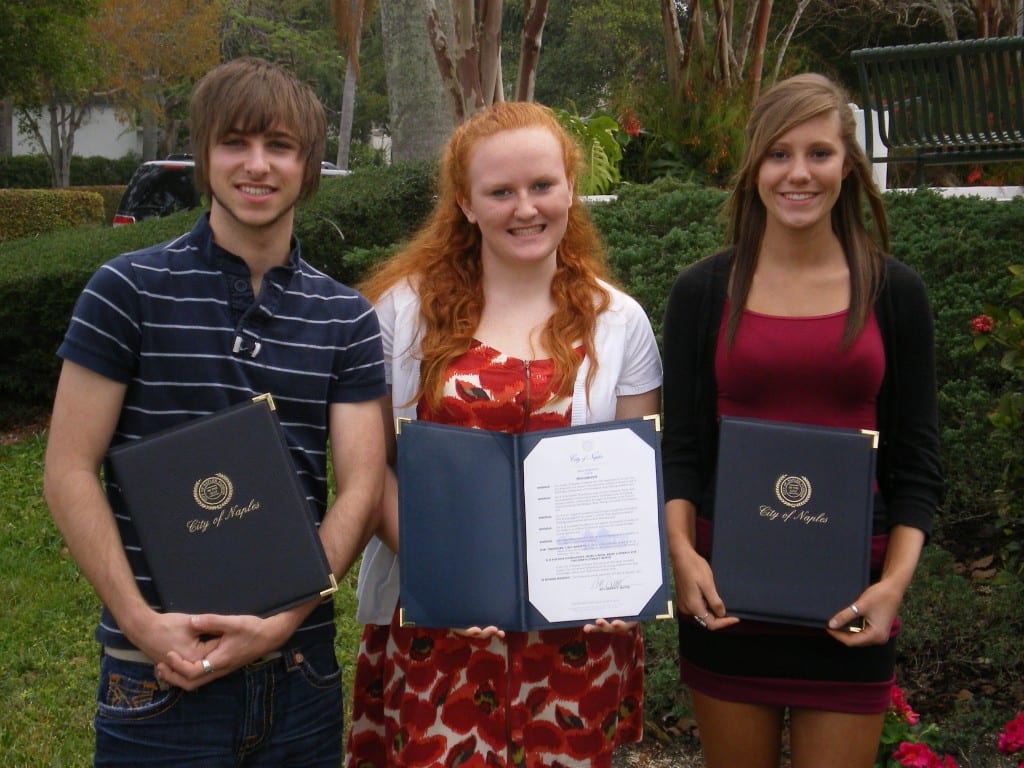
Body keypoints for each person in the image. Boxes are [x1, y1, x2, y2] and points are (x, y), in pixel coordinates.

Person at [42, 57, 387, 767]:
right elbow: (69, 470)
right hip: (155, 675)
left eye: (280, 146)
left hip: (299, 675)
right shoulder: (125, 292)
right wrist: (142, 625)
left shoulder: (346, 318)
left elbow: (359, 486)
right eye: (235, 142)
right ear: (203, 154)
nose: (256, 166)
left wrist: (281, 624)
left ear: (309, 164)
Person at [344, 101, 663, 768]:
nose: (526, 208)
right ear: (465, 201)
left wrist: (617, 586)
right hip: (439, 627)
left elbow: (630, 481)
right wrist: (455, 580)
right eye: (501, 191)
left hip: (578, 641)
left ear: (570, 187)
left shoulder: (620, 323)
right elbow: (370, 475)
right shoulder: (401, 315)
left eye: (542, 185)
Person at [661, 73, 944, 768]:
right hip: (726, 598)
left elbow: (917, 464)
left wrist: (891, 589)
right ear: (754, 166)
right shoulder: (703, 292)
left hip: (850, 606)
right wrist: (683, 557)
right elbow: (683, 452)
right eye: (778, 153)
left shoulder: (894, 294)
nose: (798, 173)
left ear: (849, 166)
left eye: (819, 153)